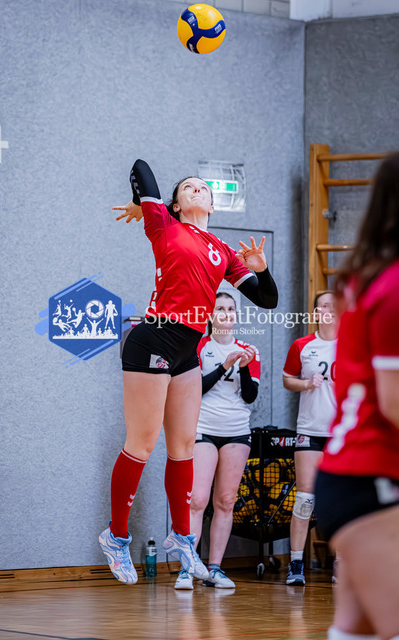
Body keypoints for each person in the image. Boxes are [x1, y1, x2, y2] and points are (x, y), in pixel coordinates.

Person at [99, 159, 278, 585]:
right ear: (176, 204)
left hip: (187, 349)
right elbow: (141, 168)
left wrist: (260, 267)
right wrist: (148, 205)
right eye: (189, 187)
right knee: (142, 444)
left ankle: (182, 538)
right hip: (154, 339)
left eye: (203, 188)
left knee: (182, 448)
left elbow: (267, 300)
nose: (198, 189)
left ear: (212, 206)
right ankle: (116, 537)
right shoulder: (164, 224)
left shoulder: (223, 251)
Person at [314, 152, 399, 640]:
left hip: (356, 476)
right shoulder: (391, 286)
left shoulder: (370, 278)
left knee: (356, 632)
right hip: (370, 479)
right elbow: (394, 402)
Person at [174, 291, 260, 590]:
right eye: (220, 308)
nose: (226, 313)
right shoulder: (199, 346)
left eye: (231, 309)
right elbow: (195, 388)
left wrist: (244, 365)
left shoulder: (248, 350)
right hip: (203, 428)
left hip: (237, 430)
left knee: (225, 501)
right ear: (211, 315)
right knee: (197, 499)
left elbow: (250, 396)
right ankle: (187, 569)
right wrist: (224, 366)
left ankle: (215, 569)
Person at [283, 290, 337, 585]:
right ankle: (295, 564)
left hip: (342, 433)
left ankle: (341, 564)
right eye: (323, 306)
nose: (329, 309)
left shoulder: (353, 345)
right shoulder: (302, 345)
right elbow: (287, 379)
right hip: (310, 430)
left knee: (341, 499)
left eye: (334, 305)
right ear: (316, 313)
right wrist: (306, 384)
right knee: (305, 498)